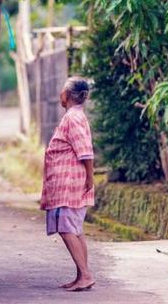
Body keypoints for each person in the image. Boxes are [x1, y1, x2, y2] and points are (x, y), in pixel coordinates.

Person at [40, 76, 95, 292]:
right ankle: (82, 275)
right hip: (66, 182)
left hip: (70, 183)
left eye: (62, 90)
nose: (59, 94)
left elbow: (85, 150)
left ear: (67, 95)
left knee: (67, 229)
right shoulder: (74, 116)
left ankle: (86, 275)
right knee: (74, 229)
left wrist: (90, 178)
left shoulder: (73, 117)